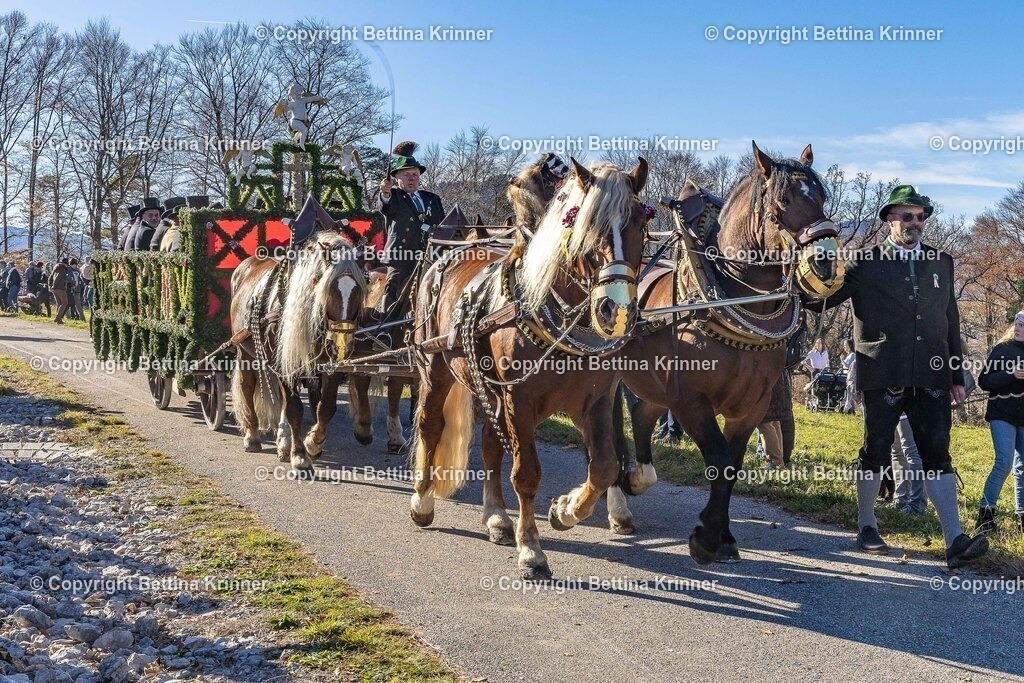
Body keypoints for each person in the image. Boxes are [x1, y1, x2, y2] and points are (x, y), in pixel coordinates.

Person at [807, 184, 988, 568]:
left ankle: (954, 539)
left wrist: (957, 372)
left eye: (920, 216)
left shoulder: (942, 262)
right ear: (890, 219)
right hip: (882, 372)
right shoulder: (864, 262)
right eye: (907, 216)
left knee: (937, 453)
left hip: (932, 374)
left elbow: (950, 320)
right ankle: (867, 524)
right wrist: (811, 267)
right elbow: (819, 300)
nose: (915, 223)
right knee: (876, 449)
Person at [377, 141, 445, 321]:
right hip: (401, 257)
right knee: (393, 285)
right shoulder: (394, 196)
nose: (411, 178)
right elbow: (385, 204)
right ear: (396, 178)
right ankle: (385, 329)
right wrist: (384, 192)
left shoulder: (433, 199)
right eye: (406, 174)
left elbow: (444, 225)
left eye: (415, 174)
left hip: (431, 255)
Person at [977, 311, 1024, 534]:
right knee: (1004, 462)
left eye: (1023, 325)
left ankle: (1021, 517)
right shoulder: (1002, 349)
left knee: (1023, 467)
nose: (1018, 328)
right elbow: (984, 381)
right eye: (1017, 323)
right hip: (1001, 414)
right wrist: (1011, 375)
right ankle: (986, 515)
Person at [49, 259, 70, 324]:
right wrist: (54, 286)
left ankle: (57, 318)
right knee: (64, 302)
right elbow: (58, 277)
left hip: (54, 289)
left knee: (59, 303)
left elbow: (50, 277)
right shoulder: (62, 269)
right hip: (60, 288)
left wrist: (50, 286)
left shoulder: (55, 268)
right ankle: (58, 318)